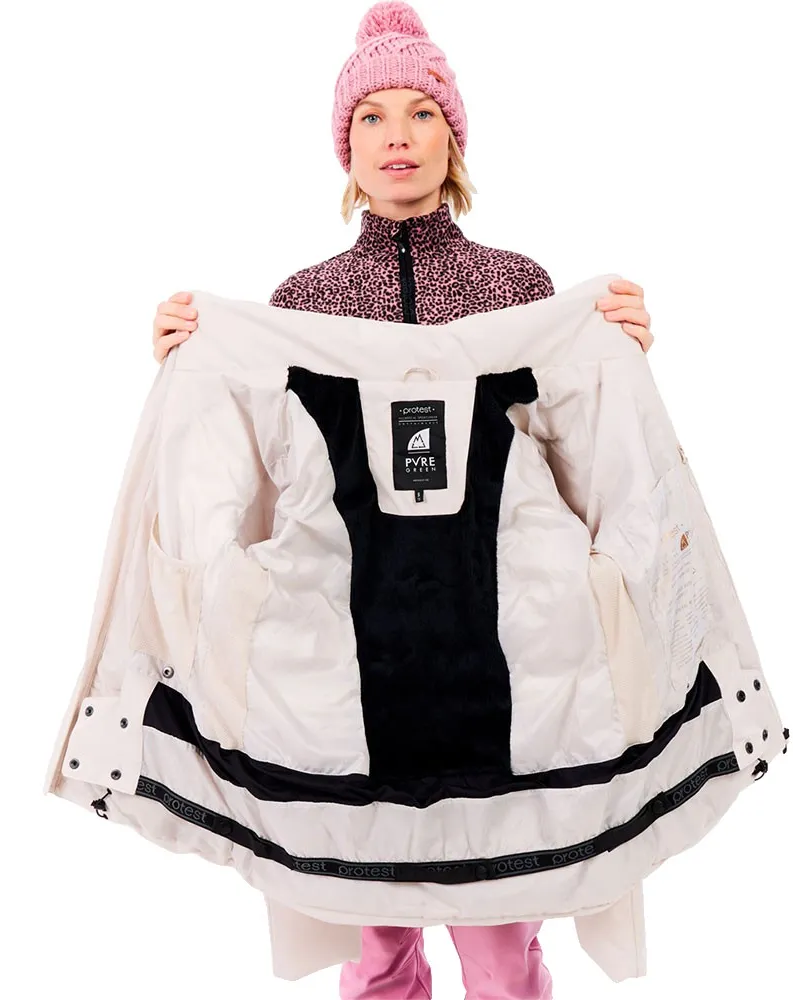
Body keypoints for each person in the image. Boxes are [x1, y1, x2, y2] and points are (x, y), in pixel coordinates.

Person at [150, 4, 653, 997]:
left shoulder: (520, 286)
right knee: (375, 950)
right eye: (372, 116)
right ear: (347, 145)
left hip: (499, 661)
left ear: (450, 136)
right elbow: (264, 465)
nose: (398, 137)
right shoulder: (301, 302)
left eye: (420, 113)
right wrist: (189, 364)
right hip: (351, 665)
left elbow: (576, 447)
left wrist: (618, 352)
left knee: (501, 952)